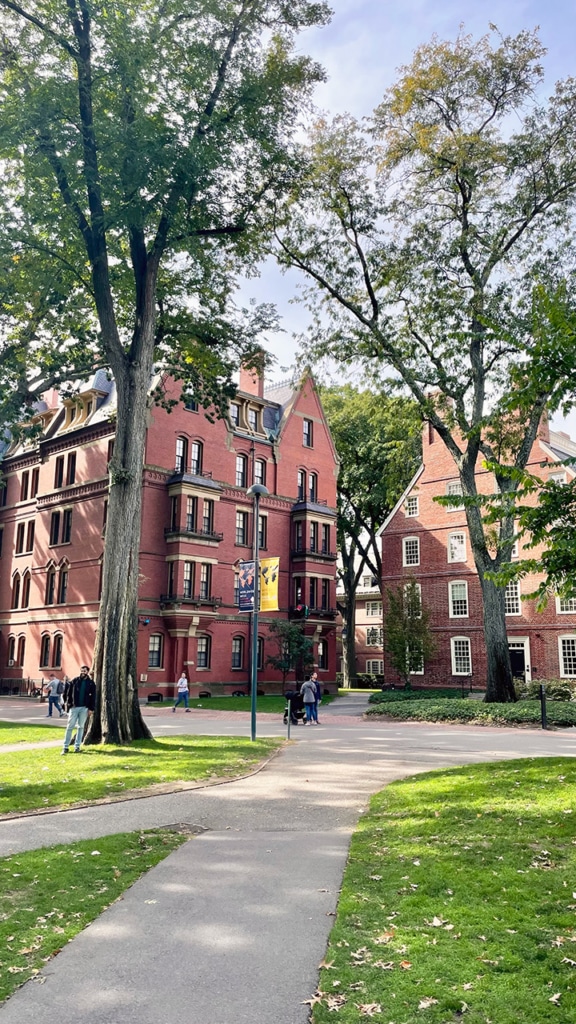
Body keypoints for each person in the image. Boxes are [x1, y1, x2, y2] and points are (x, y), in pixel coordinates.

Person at [61, 665, 96, 754]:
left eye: (84, 671)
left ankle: (77, 746)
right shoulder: (75, 681)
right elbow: (68, 693)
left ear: (87, 672)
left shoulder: (91, 683)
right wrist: (68, 704)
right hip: (74, 707)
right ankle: (65, 746)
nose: (83, 672)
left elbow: (93, 697)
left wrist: (91, 708)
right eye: (81, 670)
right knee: (70, 726)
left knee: (80, 727)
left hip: (84, 708)